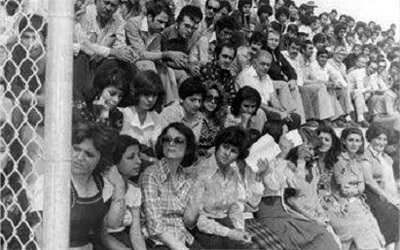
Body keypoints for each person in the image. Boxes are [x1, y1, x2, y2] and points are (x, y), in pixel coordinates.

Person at [255, 127, 341, 250]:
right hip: (283, 214)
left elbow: (304, 189)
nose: (310, 152)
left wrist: (320, 215)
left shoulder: (301, 166)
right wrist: (296, 159)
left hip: (298, 214)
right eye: (307, 146)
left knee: (328, 238)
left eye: (312, 149)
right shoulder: (277, 162)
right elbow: (289, 194)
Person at [186, 126, 253, 249]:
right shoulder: (201, 171)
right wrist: (229, 233)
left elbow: (233, 207)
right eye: (225, 147)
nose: (227, 153)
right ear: (218, 146)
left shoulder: (233, 173)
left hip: (224, 223)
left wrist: (239, 229)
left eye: (233, 151)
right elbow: (194, 218)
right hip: (202, 228)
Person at [140, 122, 201, 250]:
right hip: (158, 241)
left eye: (178, 140)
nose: (171, 144)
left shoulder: (187, 178)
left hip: (183, 236)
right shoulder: (151, 174)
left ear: (188, 147)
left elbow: (189, 222)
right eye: (167, 139)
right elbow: (155, 226)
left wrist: (197, 200)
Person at [326, 127, 385, 250]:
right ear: (343, 141)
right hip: (340, 203)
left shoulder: (358, 160)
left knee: (373, 227)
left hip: (356, 201)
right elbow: (344, 189)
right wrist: (356, 189)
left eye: (358, 140)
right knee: (361, 228)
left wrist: (355, 189)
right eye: (351, 140)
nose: (354, 144)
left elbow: (362, 187)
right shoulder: (339, 159)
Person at [236, 50, 301, 130]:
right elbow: (256, 103)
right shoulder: (246, 76)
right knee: (262, 113)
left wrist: (283, 111)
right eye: (262, 64)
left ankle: (289, 140)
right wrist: (277, 113)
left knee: (294, 117)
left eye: (268, 65)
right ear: (254, 63)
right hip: (253, 109)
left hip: (268, 109)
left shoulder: (266, 77)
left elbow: (273, 99)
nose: (265, 67)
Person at [102, 135, 146, 250]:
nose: (139, 161)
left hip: (123, 240)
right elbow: (111, 225)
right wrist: (119, 186)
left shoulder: (134, 190)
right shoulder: (103, 186)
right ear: (116, 161)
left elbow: (135, 232)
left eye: (139, 156)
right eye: (131, 157)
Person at [364, 124, 400, 250]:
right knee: (392, 215)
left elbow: (390, 181)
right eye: (378, 138)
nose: (382, 142)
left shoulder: (386, 157)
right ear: (371, 138)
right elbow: (369, 181)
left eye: (384, 139)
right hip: (374, 196)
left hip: (388, 195)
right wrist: (389, 198)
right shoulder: (366, 155)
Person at [73, 60, 133, 131]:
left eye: (120, 96)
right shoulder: (81, 109)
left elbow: (109, 140)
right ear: (100, 89)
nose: (116, 100)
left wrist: (104, 113)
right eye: (112, 93)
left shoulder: (117, 116)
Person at [264, 29, 306, 124]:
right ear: (266, 40)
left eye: (276, 40)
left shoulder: (277, 54)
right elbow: (272, 71)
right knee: (284, 85)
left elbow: (289, 69)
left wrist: (292, 79)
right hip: (268, 81)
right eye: (271, 39)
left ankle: (300, 120)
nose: (273, 43)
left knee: (293, 87)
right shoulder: (264, 52)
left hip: (278, 81)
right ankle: (289, 118)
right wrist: (285, 80)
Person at [119, 70, 164, 152]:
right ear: (135, 93)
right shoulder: (123, 114)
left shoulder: (155, 117)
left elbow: (156, 147)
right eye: (146, 94)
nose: (150, 99)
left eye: (154, 95)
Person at [303, 48, 345, 126]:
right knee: (323, 87)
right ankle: (325, 118)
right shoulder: (313, 65)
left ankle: (334, 117)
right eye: (322, 57)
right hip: (310, 85)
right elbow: (307, 80)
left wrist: (335, 83)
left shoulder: (326, 66)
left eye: (326, 57)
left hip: (321, 86)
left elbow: (334, 75)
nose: (324, 59)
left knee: (331, 88)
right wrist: (324, 83)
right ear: (317, 57)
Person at [160, 77, 206, 142]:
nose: (197, 105)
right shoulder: (169, 114)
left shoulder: (199, 116)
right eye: (193, 100)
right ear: (182, 99)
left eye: (200, 101)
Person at [198, 80, 226, 157]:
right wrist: (205, 152)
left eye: (216, 99)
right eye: (209, 97)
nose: (213, 101)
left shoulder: (218, 120)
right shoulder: (194, 117)